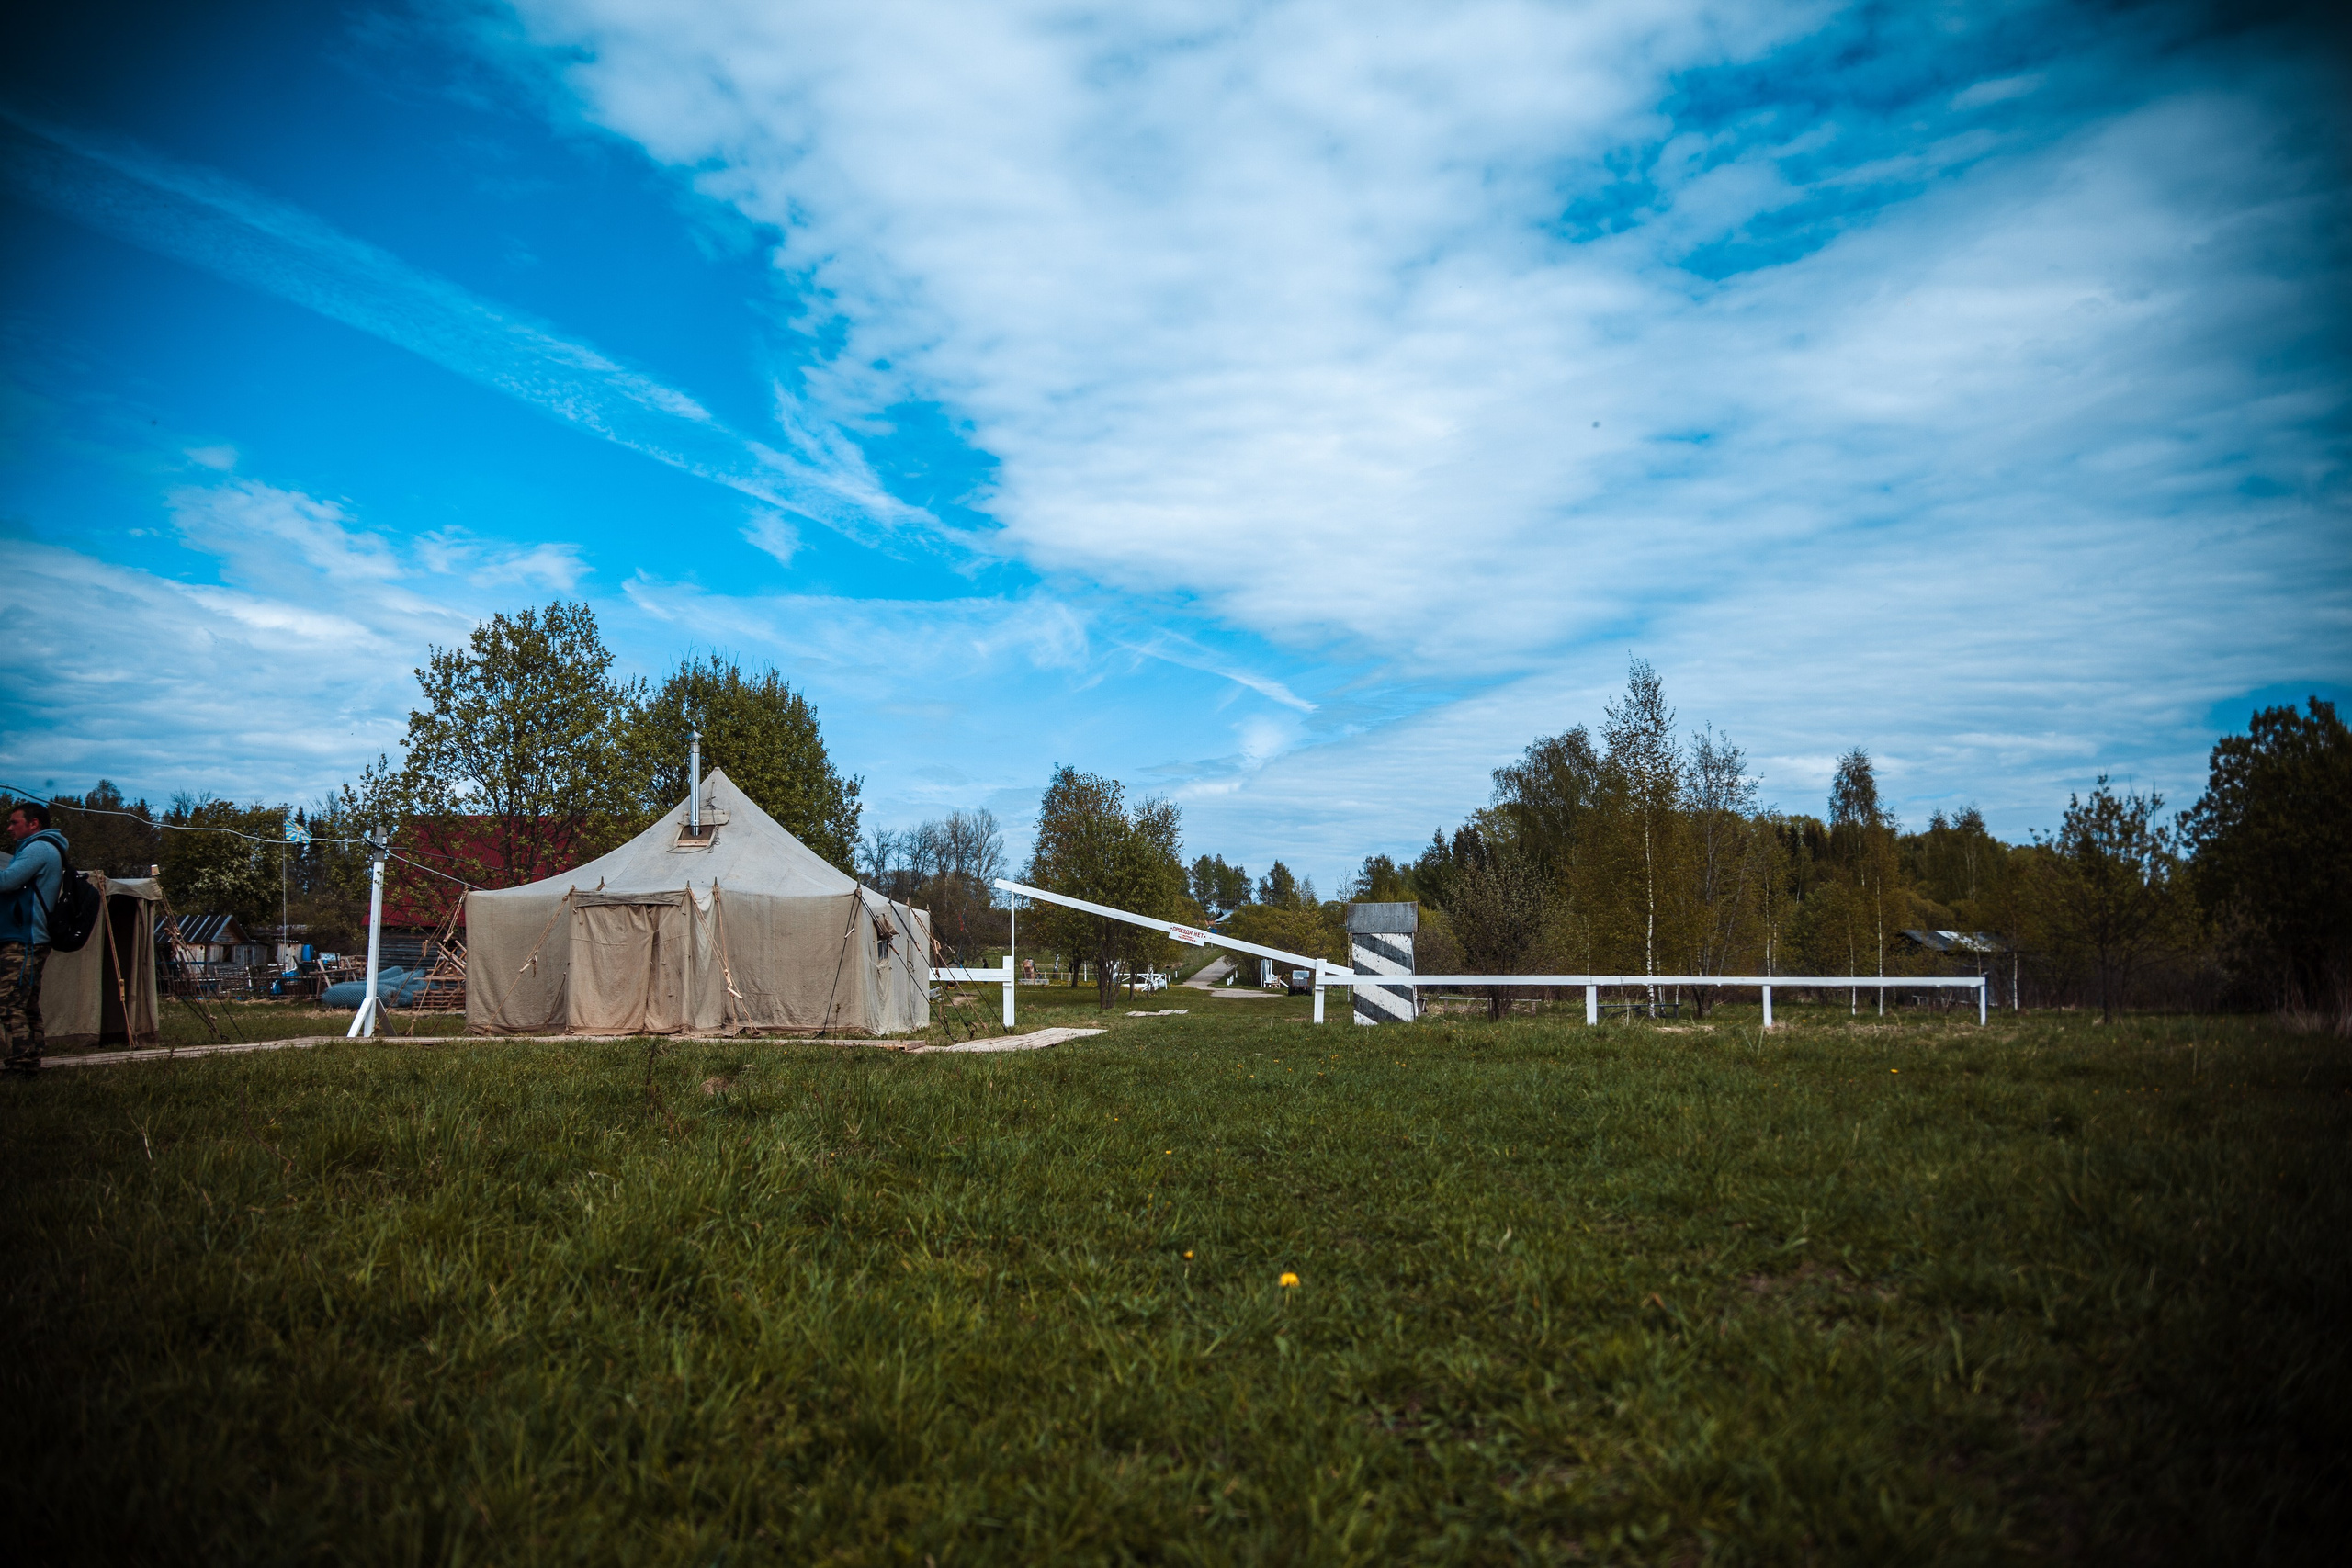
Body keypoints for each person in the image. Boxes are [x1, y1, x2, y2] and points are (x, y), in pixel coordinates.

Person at [1, 799, 70, 1076]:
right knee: (27, 1002)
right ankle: (32, 1058)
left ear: (34, 824)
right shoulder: (44, 848)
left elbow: (7, 881)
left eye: (15, 822)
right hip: (32, 937)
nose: (9, 828)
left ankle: (20, 1063)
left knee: (9, 1001)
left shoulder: (38, 848)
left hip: (25, 938)